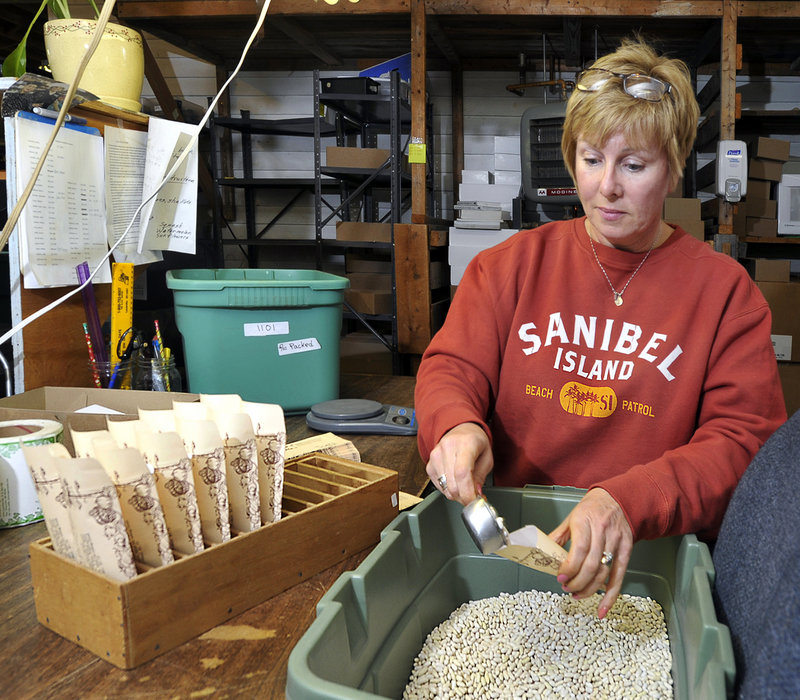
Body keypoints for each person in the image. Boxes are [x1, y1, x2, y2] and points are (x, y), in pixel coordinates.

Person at [414, 38, 786, 620]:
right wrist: (456, 426)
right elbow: (452, 367)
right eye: (591, 159)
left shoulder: (724, 295)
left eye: (633, 165)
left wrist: (628, 499)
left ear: (673, 169)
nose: (606, 186)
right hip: (507, 556)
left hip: (645, 565)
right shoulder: (508, 266)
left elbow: (742, 445)